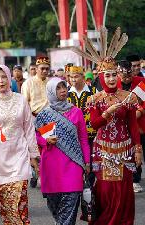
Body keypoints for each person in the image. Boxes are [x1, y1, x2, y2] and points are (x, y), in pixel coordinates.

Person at [74, 26, 142, 225]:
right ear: (101, 77)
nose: (111, 79)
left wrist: (138, 149)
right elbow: (94, 125)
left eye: (114, 74)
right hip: (103, 150)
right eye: (108, 75)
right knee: (105, 188)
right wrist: (107, 113)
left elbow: (132, 124)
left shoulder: (127, 97)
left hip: (125, 149)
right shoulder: (94, 99)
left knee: (123, 188)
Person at [0, 65, 39, 224]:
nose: (0, 81)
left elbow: (29, 128)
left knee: (20, 200)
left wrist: (34, 154)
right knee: (5, 204)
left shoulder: (20, 99)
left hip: (19, 155)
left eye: (3, 77)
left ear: (9, 77)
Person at [35, 77, 90, 225]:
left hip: (73, 166)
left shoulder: (76, 112)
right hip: (51, 167)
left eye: (64, 87)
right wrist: (46, 141)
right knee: (56, 210)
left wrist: (87, 162)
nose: (63, 90)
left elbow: (83, 140)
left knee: (68, 216)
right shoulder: (44, 115)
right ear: (51, 91)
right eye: (58, 88)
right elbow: (36, 138)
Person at [116, 60, 145, 193]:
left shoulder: (140, 81)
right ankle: (130, 178)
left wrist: (138, 112)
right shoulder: (113, 82)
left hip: (140, 123)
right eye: (123, 76)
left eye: (129, 76)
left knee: (138, 149)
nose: (126, 79)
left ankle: (136, 178)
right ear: (118, 74)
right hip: (121, 123)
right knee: (127, 151)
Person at [67, 66, 97, 145]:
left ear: (83, 77)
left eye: (76, 77)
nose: (73, 80)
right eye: (71, 77)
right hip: (73, 133)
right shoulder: (66, 93)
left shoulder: (93, 91)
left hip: (90, 133)